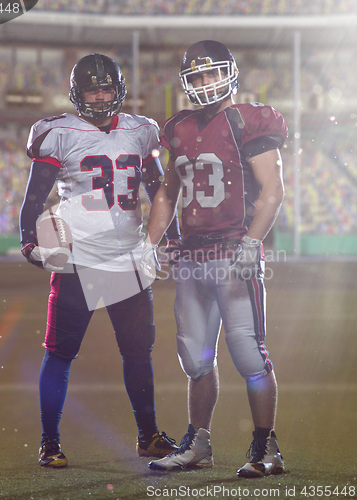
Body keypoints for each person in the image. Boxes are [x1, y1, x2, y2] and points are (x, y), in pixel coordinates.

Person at [19, 53, 180, 468]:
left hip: (128, 258)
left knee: (138, 353)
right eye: (93, 88)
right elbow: (35, 195)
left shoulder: (141, 131)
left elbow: (160, 189)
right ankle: (49, 441)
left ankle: (148, 436)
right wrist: (28, 240)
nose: (101, 95)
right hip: (78, 260)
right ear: (78, 93)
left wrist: (172, 236)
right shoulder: (59, 132)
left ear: (119, 89)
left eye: (107, 87)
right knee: (60, 353)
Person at [143, 40, 288, 477]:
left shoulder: (249, 120)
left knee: (248, 354)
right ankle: (198, 444)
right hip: (192, 256)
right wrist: (148, 245)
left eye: (212, 73)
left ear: (230, 73)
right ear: (187, 82)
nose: (206, 83)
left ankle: (267, 448)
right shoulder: (179, 128)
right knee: (196, 358)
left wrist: (251, 242)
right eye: (198, 76)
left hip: (233, 253)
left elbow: (272, 189)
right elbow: (168, 192)